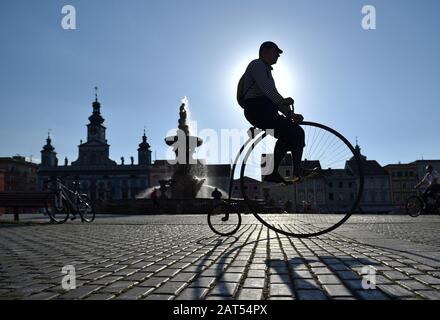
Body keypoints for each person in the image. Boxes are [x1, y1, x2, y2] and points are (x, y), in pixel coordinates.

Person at [238, 41, 317, 184]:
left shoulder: (266, 70)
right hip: (257, 110)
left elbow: (273, 97)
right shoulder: (257, 65)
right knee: (294, 132)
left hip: (265, 110)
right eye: (276, 52)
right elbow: (268, 91)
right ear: (265, 52)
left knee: (294, 134)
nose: (278, 56)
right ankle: (280, 172)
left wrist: (290, 114)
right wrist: (288, 110)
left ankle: (288, 171)